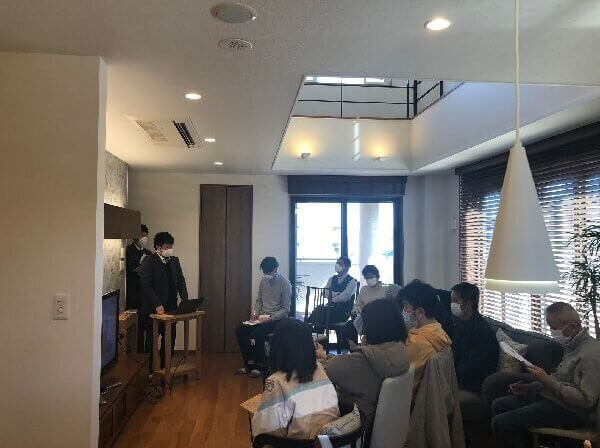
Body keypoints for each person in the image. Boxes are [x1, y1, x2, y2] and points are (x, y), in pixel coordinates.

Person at [491, 302, 600, 448]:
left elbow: (586, 401)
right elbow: (561, 380)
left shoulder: (591, 355)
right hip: (555, 401)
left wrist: (548, 380)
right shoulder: (571, 345)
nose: (552, 333)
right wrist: (529, 388)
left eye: (555, 329)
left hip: (571, 412)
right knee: (499, 405)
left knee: (500, 423)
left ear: (573, 326)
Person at [319, 298, 410, 429]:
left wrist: (321, 357)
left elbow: (326, 370)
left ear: (372, 327)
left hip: (355, 426)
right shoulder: (401, 352)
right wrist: (326, 356)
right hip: (383, 425)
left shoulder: (364, 360)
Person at [252, 318, 340, 440]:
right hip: (331, 440)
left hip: (300, 443)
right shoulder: (319, 368)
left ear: (277, 348)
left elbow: (265, 431)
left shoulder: (276, 381)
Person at [138, 231, 188, 370]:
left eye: (171, 246)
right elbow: (145, 285)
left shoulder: (174, 261)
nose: (169, 249)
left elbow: (181, 281)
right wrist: (157, 304)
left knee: (169, 340)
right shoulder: (148, 261)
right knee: (151, 342)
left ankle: (165, 369)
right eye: (166, 247)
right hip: (153, 309)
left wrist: (185, 300)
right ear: (158, 247)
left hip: (171, 307)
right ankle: (149, 372)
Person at [236, 257, 292, 377]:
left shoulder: (285, 284)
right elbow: (259, 300)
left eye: (268, 272)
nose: (267, 275)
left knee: (258, 333)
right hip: (261, 317)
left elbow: (286, 309)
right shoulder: (263, 281)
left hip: (276, 319)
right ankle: (249, 362)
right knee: (240, 330)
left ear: (276, 269)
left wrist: (270, 318)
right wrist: (255, 313)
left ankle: (260, 365)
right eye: (265, 272)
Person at [397, 279, 452, 396]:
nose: (403, 310)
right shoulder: (438, 330)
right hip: (432, 396)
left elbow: (396, 372)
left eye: (406, 305)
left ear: (420, 312)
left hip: (411, 399)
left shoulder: (417, 342)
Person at [451, 282, 499, 394]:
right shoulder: (460, 324)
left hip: (473, 383)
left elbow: (473, 367)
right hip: (458, 377)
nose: (452, 304)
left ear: (469, 303)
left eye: (455, 300)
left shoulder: (481, 331)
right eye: (451, 300)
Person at [341, 265, 400, 346]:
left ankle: (371, 349)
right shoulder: (364, 289)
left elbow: (399, 291)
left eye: (371, 277)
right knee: (349, 326)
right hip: (364, 318)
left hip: (380, 319)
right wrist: (357, 310)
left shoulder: (386, 289)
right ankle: (354, 350)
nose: (369, 279)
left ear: (377, 276)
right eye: (367, 277)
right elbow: (357, 305)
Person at [308, 257, 358, 339]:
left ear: (347, 267)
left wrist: (331, 296)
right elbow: (324, 293)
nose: (337, 265)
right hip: (329, 309)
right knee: (320, 314)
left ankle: (315, 335)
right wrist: (337, 293)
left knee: (320, 312)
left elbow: (344, 297)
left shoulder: (352, 281)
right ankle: (319, 338)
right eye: (337, 263)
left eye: (340, 263)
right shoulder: (332, 279)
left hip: (343, 312)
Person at [125, 224, 153, 351]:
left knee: (145, 325)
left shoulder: (148, 253)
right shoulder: (129, 251)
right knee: (134, 328)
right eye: (142, 235)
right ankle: (135, 353)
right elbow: (131, 271)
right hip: (133, 295)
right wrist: (141, 268)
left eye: (146, 236)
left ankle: (145, 354)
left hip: (146, 296)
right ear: (135, 236)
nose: (144, 238)